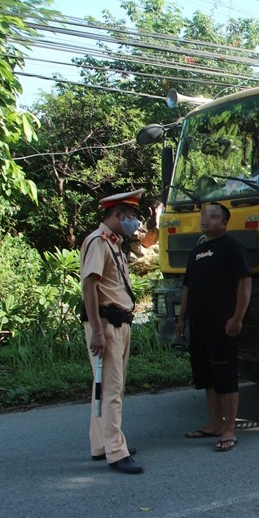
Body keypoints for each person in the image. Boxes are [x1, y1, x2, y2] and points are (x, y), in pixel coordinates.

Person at [176, 202, 252, 452]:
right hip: (198, 324)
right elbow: (188, 288)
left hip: (222, 323)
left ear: (224, 223)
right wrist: (182, 318)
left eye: (213, 216)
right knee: (207, 375)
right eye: (203, 216)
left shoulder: (232, 248)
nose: (205, 219)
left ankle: (229, 428)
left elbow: (244, 284)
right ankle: (213, 424)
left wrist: (237, 318)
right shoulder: (197, 252)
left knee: (225, 375)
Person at [80, 189, 145, 475]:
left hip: (119, 322)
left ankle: (102, 445)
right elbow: (89, 287)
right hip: (106, 324)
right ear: (117, 215)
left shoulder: (114, 243)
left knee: (104, 387)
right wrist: (96, 331)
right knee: (112, 390)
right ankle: (117, 452)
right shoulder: (98, 242)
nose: (134, 222)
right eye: (131, 216)